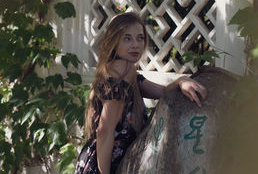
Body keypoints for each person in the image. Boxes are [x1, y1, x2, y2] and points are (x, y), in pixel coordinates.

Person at [74, 12, 207, 174]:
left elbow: (163, 91)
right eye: (127, 38)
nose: (135, 45)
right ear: (114, 42)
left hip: (98, 159)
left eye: (140, 38)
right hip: (107, 165)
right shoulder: (121, 70)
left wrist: (181, 81)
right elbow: (105, 129)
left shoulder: (122, 72)